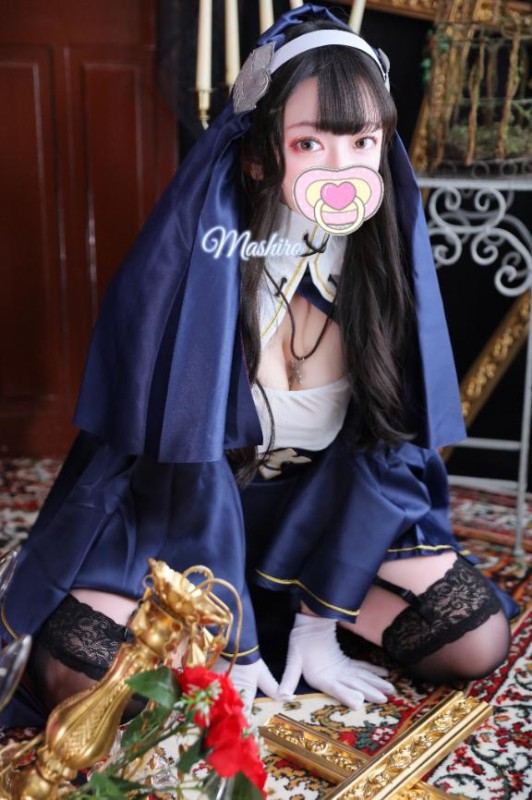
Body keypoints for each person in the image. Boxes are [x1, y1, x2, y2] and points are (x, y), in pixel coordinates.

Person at [0, 4, 515, 726]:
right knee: (82, 681)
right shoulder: (197, 271)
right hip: (174, 518)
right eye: (309, 142)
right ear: (257, 155)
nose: (342, 170)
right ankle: (219, 634)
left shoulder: (380, 274)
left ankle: (297, 618)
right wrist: (234, 645)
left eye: (363, 142)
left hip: (313, 520)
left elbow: (383, 455)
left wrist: (317, 623)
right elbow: (183, 472)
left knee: (475, 639)